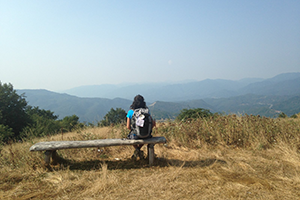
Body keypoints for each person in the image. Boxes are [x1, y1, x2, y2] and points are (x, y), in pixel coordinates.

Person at [126, 94, 156, 159]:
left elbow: (128, 126)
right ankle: (139, 149)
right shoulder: (147, 111)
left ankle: (137, 149)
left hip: (135, 136)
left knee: (129, 137)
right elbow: (152, 125)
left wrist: (134, 131)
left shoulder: (131, 112)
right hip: (147, 135)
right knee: (144, 137)